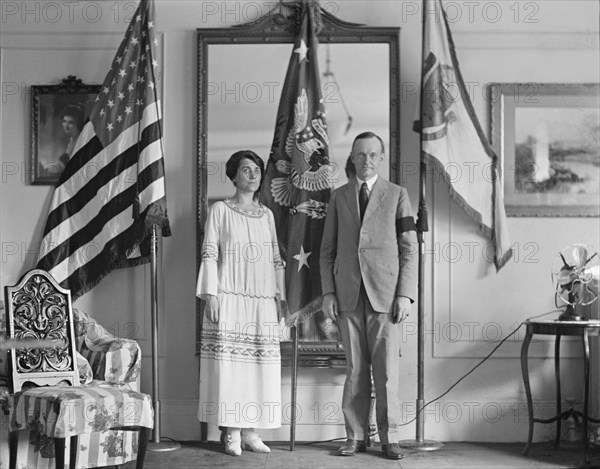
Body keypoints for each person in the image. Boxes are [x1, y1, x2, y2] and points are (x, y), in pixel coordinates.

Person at [320, 131, 418, 460]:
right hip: (348, 294)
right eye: (360, 155)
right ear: (352, 157)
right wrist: (329, 292)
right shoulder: (339, 197)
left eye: (373, 155)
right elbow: (327, 251)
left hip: (386, 297)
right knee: (355, 370)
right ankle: (356, 437)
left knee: (387, 371)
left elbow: (409, 249)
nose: (366, 161)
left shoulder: (397, 195)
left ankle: (390, 438)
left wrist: (404, 295)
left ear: (381, 157)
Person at [196, 150, 286, 456]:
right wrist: (211, 294)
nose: (253, 175)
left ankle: (250, 430)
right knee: (232, 368)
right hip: (230, 297)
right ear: (234, 176)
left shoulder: (268, 216)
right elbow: (210, 252)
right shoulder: (220, 210)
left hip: (262, 301)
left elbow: (276, 259)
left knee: (259, 367)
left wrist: (280, 298)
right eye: (246, 170)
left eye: (257, 170)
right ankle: (231, 431)